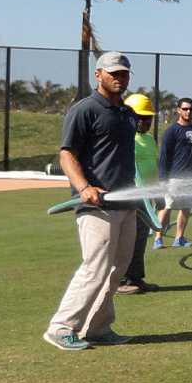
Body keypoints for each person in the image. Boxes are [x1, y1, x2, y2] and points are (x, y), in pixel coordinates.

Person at [43, 51, 141, 351]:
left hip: (125, 204)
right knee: (95, 268)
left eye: (123, 73)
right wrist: (84, 187)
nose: (118, 78)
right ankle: (61, 327)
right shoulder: (85, 109)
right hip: (96, 206)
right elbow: (66, 154)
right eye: (113, 73)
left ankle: (98, 327)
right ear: (98, 75)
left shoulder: (126, 113)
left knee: (117, 270)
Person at [116, 93, 159, 293]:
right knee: (126, 238)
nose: (145, 121)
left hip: (146, 198)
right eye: (141, 117)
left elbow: (153, 166)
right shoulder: (124, 138)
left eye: (148, 117)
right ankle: (121, 280)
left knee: (141, 237)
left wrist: (156, 192)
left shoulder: (149, 139)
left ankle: (136, 278)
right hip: (130, 197)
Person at [156, 96, 192, 247]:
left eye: (191, 109)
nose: (188, 111)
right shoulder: (171, 131)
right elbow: (164, 156)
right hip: (174, 178)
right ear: (178, 110)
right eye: (185, 109)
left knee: (186, 208)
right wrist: (163, 179)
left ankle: (179, 238)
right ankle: (158, 238)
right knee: (167, 207)